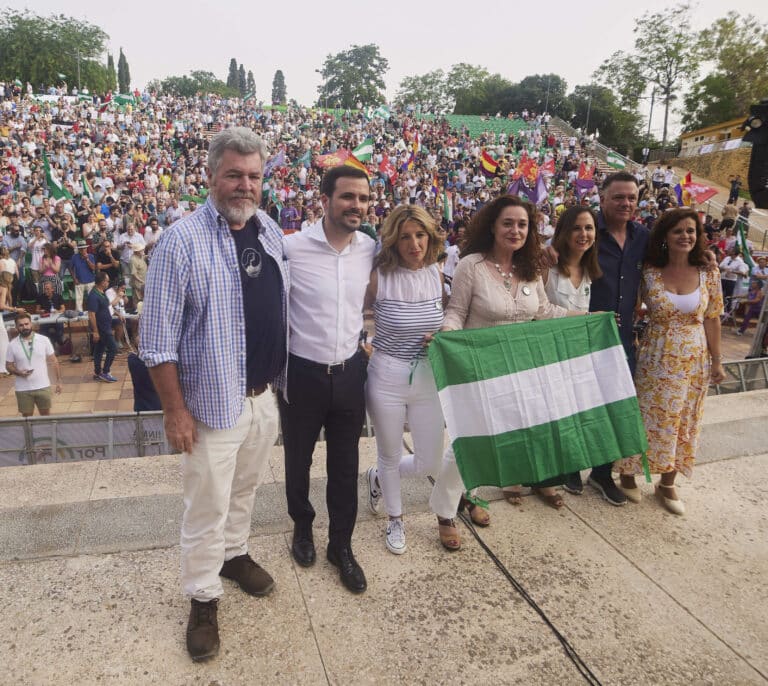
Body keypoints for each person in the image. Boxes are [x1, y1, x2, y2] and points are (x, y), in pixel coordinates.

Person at [140, 128, 288, 662]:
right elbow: (155, 341)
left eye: (253, 176)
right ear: (210, 177)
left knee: (245, 490)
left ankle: (235, 554)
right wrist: (174, 411)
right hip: (209, 406)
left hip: (261, 397)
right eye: (233, 174)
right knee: (206, 505)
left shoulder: (269, 229)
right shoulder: (180, 241)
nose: (244, 185)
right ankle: (202, 596)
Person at [437, 195, 586, 545]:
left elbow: (545, 312)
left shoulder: (532, 269)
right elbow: (456, 313)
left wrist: (591, 318)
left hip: (519, 373)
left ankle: (467, 496)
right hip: (477, 370)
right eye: (508, 223)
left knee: (491, 443)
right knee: (466, 444)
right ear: (492, 226)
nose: (515, 230)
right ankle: (445, 513)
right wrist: (448, 338)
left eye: (522, 224)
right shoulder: (471, 266)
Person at [280, 165, 374, 593]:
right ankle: (302, 526)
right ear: (325, 200)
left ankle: (341, 545)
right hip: (302, 374)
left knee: (346, 465)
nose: (358, 205)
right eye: (348, 197)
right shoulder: (291, 248)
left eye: (365, 198)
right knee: (297, 460)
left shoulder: (369, 248)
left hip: (351, 373)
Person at [362, 205, 458, 554]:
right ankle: (395, 519)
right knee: (388, 453)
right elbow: (348, 312)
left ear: (430, 237)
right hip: (386, 374)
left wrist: (444, 336)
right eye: (405, 236)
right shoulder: (379, 276)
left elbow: (452, 318)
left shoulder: (438, 274)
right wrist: (361, 345)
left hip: (427, 377)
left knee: (428, 461)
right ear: (393, 240)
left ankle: (375, 478)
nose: (413, 243)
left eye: (420, 235)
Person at [617, 209, 725, 514]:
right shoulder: (649, 271)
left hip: (693, 358)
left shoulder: (708, 273)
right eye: (678, 231)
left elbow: (713, 318)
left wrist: (717, 361)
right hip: (655, 355)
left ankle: (667, 482)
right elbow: (631, 305)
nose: (685, 236)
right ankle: (627, 473)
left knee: (683, 419)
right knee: (644, 414)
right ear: (665, 236)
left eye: (691, 231)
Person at [5, 311, 62, 416]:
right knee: (27, 420)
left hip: (43, 386)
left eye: (26, 324)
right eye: (21, 325)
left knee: (45, 417)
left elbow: (54, 361)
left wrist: (58, 381)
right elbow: (8, 365)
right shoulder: (12, 345)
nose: (24, 327)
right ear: (16, 327)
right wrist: (18, 372)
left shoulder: (44, 340)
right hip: (23, 389)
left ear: (31, 324)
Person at [87, 272, 119, 383]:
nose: (108, 283)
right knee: (113, 348)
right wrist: (95, 331)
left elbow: (107, 307)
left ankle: (97, 372)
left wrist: (117, 313)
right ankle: (105, 372)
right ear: (102, 282)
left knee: (99, 349)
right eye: (107, 281)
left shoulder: (101, 292)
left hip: (106, 325)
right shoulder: (93, 296)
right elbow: (91, 314)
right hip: (102, 328)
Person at [36, 280, 65, 348]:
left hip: (56, 319)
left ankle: (55, 341)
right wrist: (40, 311)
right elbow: (37, 310)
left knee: (60, 332)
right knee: (42, 333)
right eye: (45, 289)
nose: (46, 291)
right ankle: (51, 342)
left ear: (52, 289)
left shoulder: (58, 296)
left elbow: (63, 309)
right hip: (45, 319)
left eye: (48, 289)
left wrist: (57, 311)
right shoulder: (41, 297)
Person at [71, 241, 96, 312]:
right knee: (78, 300)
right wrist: (74, 278)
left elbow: (93, 268)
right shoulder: (74, 257)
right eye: (81, 249)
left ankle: (93, 312)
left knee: (92, 298)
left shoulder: (91, 256)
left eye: (84, 248)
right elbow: (71, 268)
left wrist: (87, 259)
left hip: (90, 280)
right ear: (78, 249)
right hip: (79, 280)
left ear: (86, 248)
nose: (83, 250)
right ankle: (79, 315)